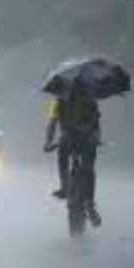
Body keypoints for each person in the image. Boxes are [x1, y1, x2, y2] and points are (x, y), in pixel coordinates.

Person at [43, 85, 102, 227]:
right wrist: (97, 139)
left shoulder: (59, 100)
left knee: (62, 158)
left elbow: (52, 123)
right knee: (89, 167)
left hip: (68, 139)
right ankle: (89, 202)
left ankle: (64, 186)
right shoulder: (90, 99)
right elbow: (96, 124)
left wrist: (48, 142)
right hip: (86, 140)